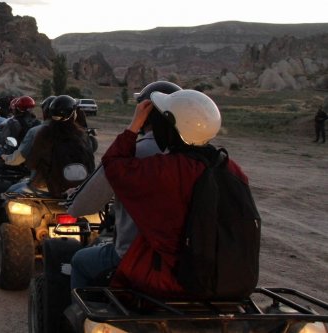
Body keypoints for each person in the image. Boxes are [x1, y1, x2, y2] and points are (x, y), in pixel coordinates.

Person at [90, 89, 249, 298]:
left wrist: (134, 126)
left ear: (169, 129)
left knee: (81, 262)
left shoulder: (165, 170)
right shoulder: (232, 169)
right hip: (225, 280)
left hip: (169, 278)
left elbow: (113, 166)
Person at [68, 81, 181, 290]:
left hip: (133, 257)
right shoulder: (202, 158)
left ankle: (80, 321)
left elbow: (82, 206)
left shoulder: (132, 153)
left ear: (145, 113)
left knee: (80, 260)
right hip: (187, 262)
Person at [8, 95, 96, 198]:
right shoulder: (82, 136)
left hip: (48, 189)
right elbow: (91, 165)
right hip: (79, 190)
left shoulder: (43, 134)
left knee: (10, 194)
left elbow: (32, 163)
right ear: (72, 114)